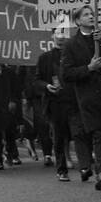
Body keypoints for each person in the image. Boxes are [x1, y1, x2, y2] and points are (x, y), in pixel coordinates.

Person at [63, 6, 101, 193]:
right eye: (86, 15)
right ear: (77, 21)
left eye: (92, 14)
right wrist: (88, 68)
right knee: (98, 133)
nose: (91, 17)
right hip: (88, 97)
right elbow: (66, 73)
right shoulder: (71, 44)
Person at [33, 28, 77, 181]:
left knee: (79, 133)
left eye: (64, 34)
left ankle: (86, 165)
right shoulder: (45, 58)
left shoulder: (75, 55)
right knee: (58, 136)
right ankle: (61, 169)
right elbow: (36, 80)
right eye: (58, 33)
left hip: (74, 100)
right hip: (55, 102)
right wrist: (46, 86)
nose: (61, 37)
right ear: (52, 36)